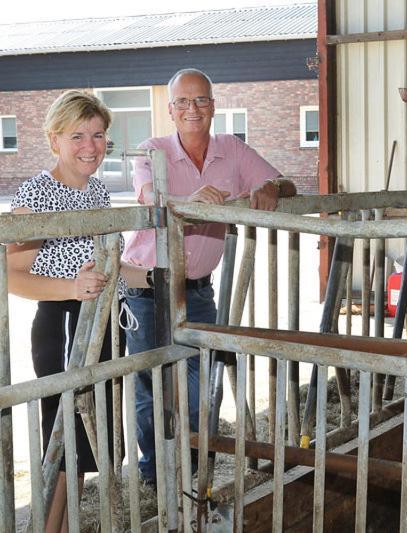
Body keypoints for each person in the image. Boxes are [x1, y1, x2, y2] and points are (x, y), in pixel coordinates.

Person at [122, 68, 297, 484]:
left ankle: (195, 465)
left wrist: (274, 187)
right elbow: (149, 196)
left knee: (203, 382)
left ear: (214, 107)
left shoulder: (232, 150)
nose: (192, 109)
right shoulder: (153, 149)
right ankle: (154, 474)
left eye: (200, 100)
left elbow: (285, 181)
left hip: (197, 290)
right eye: (182, 101)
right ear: (170, 110)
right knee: (152, 382)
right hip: (146, 286)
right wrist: (190, 201)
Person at [6, 90, 149, 532]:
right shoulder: (37, 192)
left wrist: (151, 276)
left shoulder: (99, 190)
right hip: (64, 322)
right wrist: (71, 286)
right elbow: (10, 274)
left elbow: (103, 266)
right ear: (54, 140)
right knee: (63, 440)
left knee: (87, 443)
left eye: (98, 134)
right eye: (77, 136)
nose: (90, 145)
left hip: (101, 322)